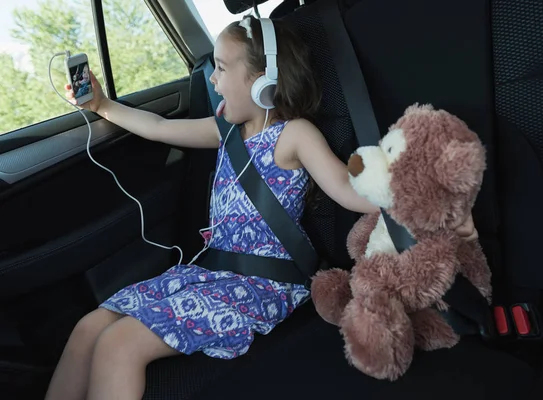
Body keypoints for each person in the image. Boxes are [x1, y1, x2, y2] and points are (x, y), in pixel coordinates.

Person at [45, 15, 479, 400]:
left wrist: (431, 205)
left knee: (118, 345)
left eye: (220, 67)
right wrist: (100, 104)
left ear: (263, 80)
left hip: (259, 284)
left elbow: (350, 192)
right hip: (205, 274)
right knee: (88, 328)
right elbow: (159, 127)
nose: (211, 80)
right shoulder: (227, 132)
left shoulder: (294, 134)